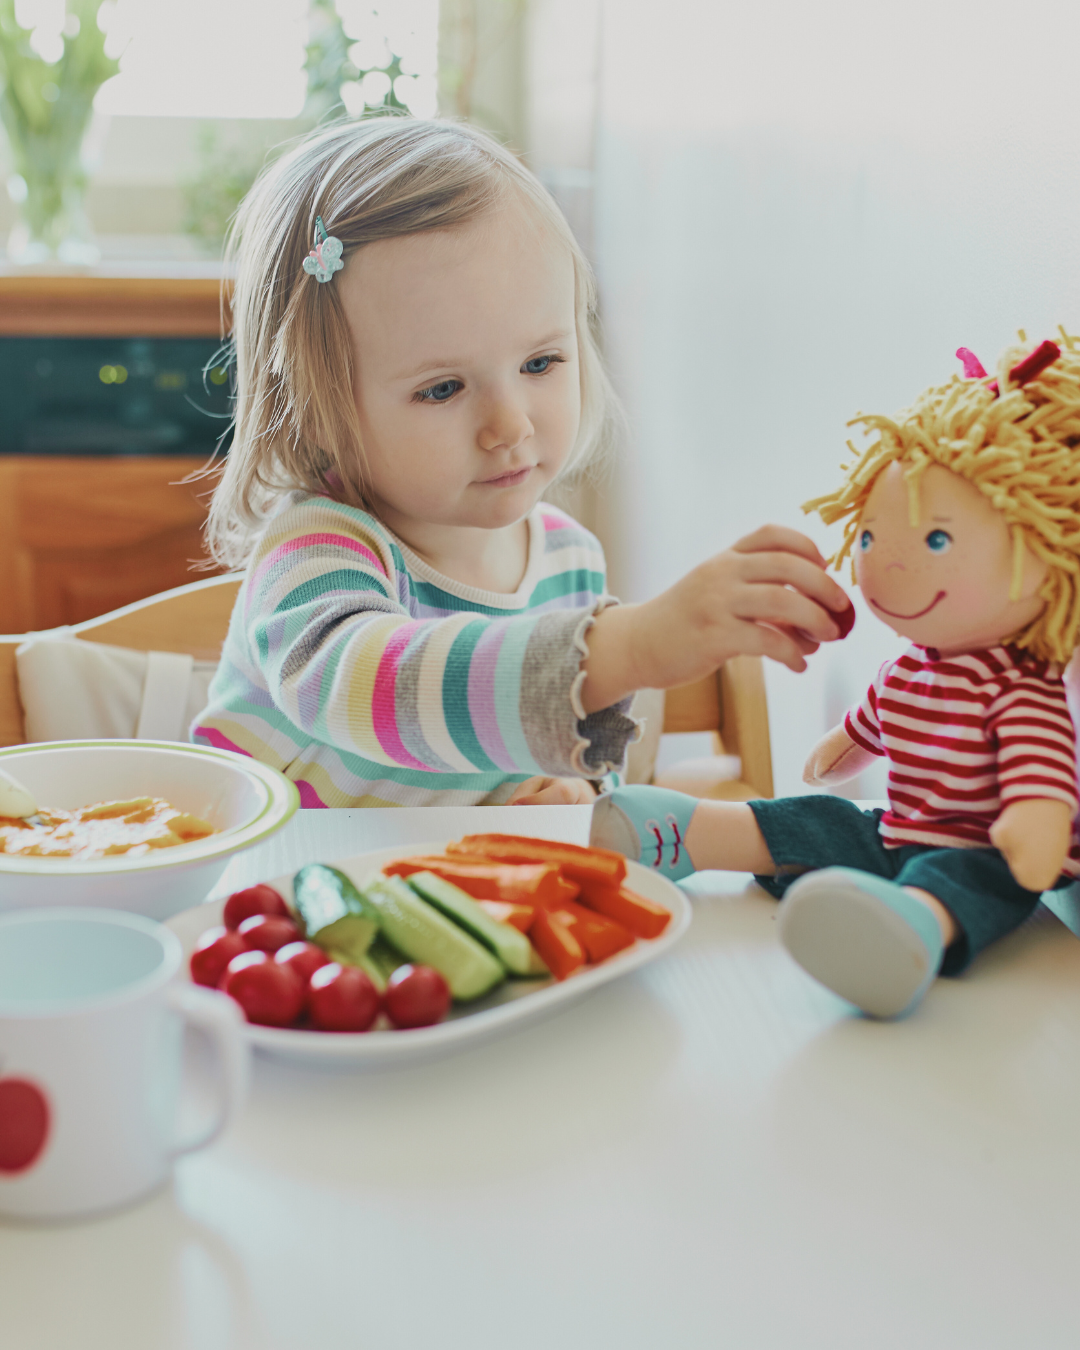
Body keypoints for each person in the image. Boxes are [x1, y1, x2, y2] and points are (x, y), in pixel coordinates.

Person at [193, 116, 849, 809]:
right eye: (442, 388)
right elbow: (371, 690)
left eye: (540, 362)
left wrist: (570, 789)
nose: (510, 425)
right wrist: (628, 646)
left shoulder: (569, 559)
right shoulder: (316, 553)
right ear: (320, 408)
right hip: (276, 899)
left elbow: (566, 743)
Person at [593, 335, 1080, 1019]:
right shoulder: (909, 668)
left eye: (936, 540)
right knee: (823, 818)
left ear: (1045, 552)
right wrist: (840, 749)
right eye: (874, 539)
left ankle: (908, 931)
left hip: (981, 848)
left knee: (964, 879)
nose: (888, 566)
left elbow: (1041, 781)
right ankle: (689, 834)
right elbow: (872, 724)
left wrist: (1035, 828)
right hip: (895, 828)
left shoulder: (1021, 691)